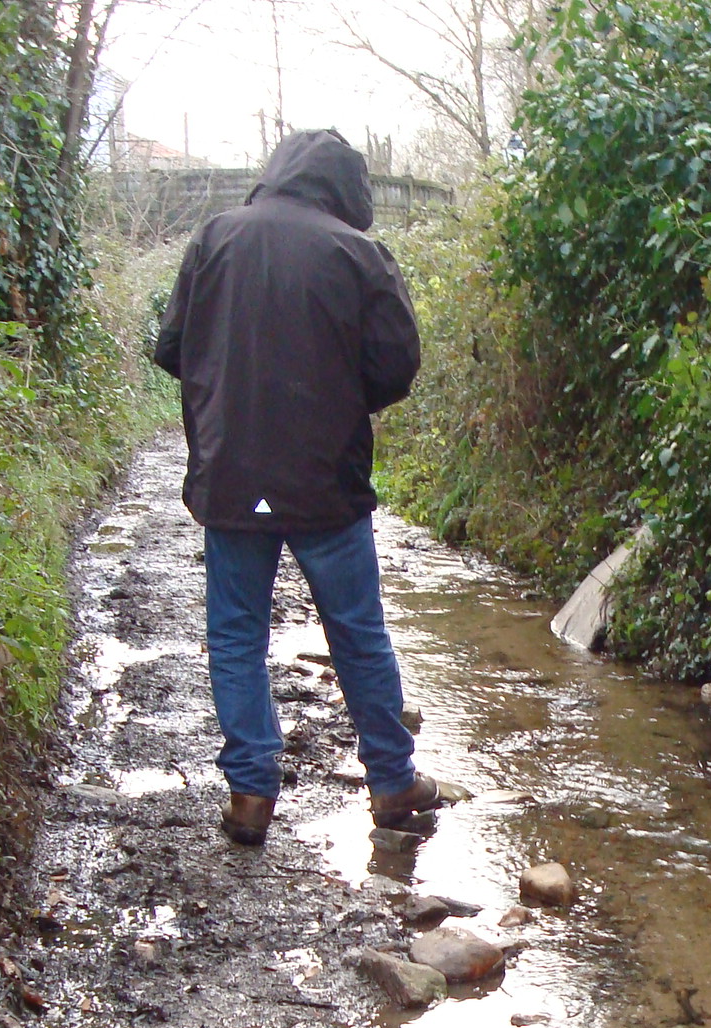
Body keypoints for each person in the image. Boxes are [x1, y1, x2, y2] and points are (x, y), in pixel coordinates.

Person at [153, 128, 444, 847]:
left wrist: (225, 395)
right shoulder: (359, 252)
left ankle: (251, 790)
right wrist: (342, 400)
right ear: (348, 187)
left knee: (236, 633)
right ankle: (391, 782)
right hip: (324, 478)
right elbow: (397, 365)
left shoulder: (215, 236)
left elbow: (171, 348)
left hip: (232, 474)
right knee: (355, 629)